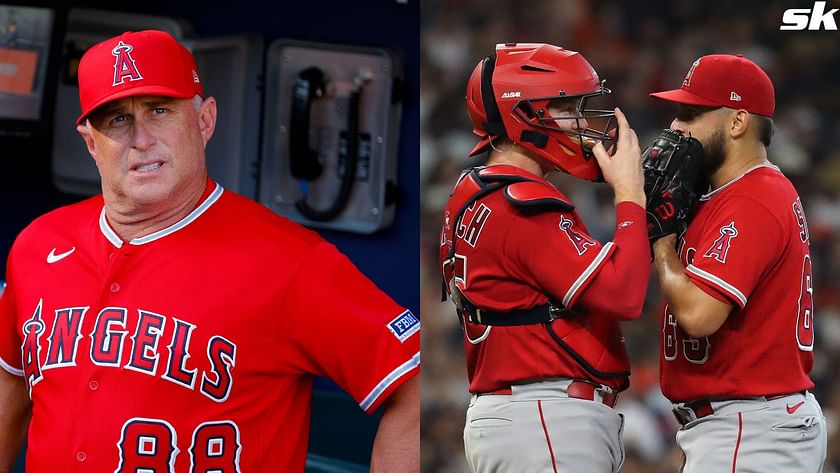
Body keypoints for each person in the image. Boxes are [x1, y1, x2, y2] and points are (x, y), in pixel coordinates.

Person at [0, 30, 419, 472]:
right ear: (90, 141)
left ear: (205, 121)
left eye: (160, 111)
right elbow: (10, 377)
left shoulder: (290, 261)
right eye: (118, 119)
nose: (142, 138)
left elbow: (413, 386)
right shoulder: (39, 243)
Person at [439, 42, 650, 473]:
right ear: (526, 116)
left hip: (523, 417)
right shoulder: (522, 205)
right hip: (544, 418)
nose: (582, 123)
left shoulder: (474, 190)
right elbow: (625, 296)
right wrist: (630, 195)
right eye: (568, 108)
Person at [648, 54, 827, 471]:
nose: (676, 126)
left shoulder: (753, 199)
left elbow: (698, 315)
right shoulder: (730, 196)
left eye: (692, 113)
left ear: (737, 122)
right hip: (747, 425)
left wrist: (662, 241)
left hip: (751, 428)